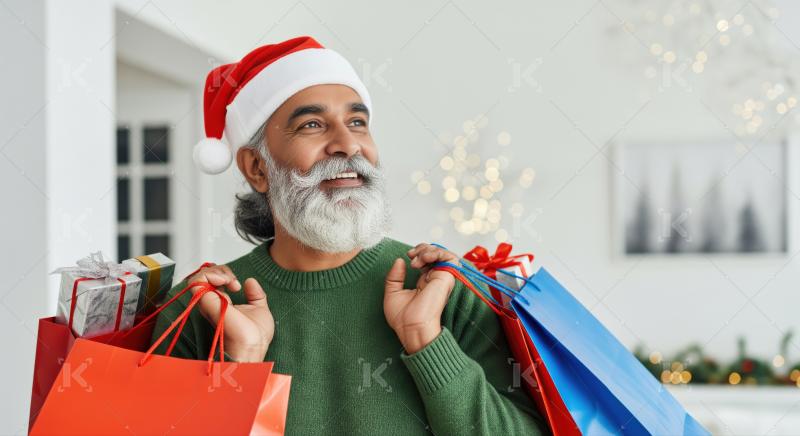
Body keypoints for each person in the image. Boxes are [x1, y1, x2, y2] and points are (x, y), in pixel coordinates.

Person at [150, 35, 547, 435]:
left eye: (357, 122)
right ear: (257, 167)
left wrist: (427, 340)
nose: (347, 144)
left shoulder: (443, 290)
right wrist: (244, 368)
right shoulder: (202, 311)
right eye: (312, 125)